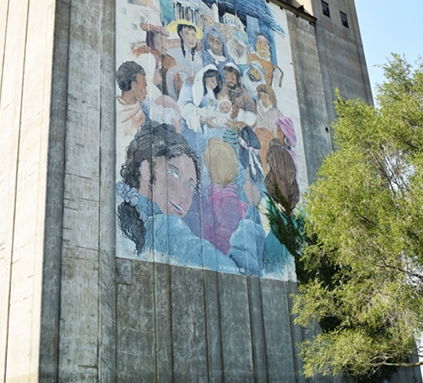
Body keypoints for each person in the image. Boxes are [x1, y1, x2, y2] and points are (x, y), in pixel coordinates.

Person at [117, 121, 238, 272]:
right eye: (173, 173)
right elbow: (228, 269)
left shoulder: (122, 206)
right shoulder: (167, 226)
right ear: (147, 169)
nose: (185, 195)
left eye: (190, 185)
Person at [264, 117, 300, 213]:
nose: (277, 134)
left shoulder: (284, 154)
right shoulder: (280, 150)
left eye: (279, 131)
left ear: (285, 134)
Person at [116, 61, 148, 168]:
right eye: (144, 87)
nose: (146, 92)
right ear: (133, 86)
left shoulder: (144, 114)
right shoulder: (113, 107)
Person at [218, 63, 256, 128]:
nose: (229, 80)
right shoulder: (222, 89)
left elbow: (252, 119)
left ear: (239, 79)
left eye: (232, 78)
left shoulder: (245, 95)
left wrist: (239, 112)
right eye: (227, 77)